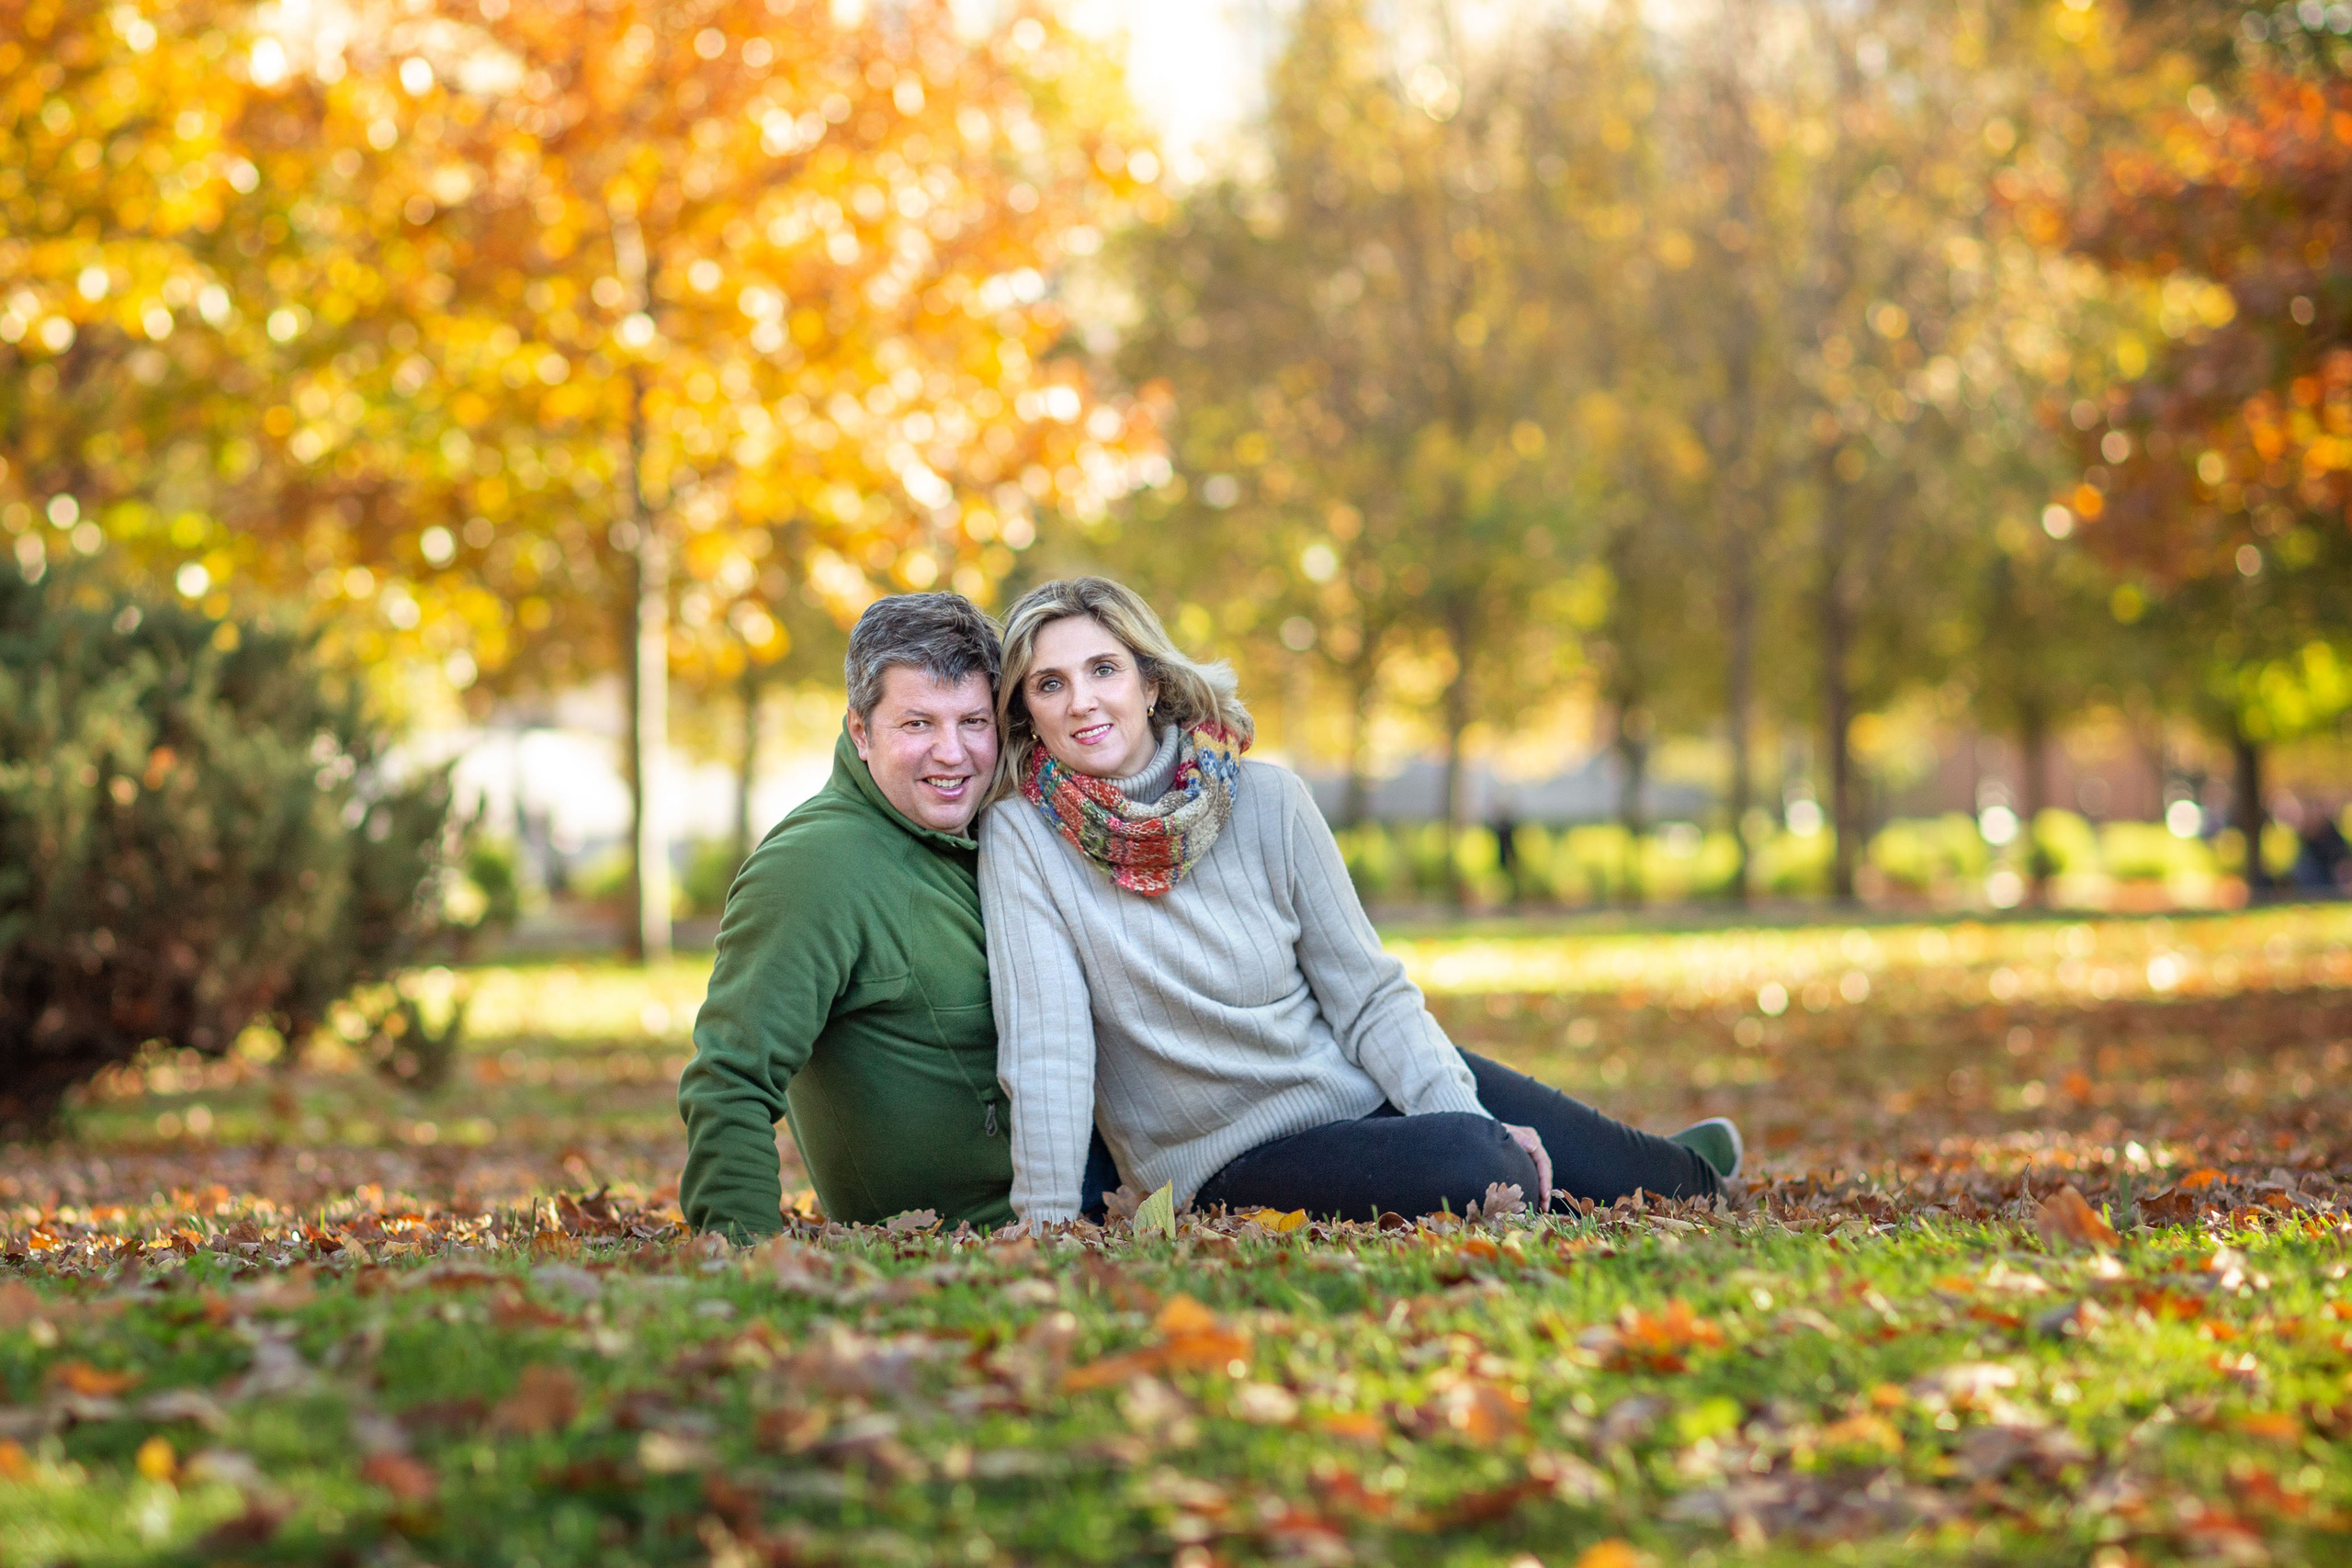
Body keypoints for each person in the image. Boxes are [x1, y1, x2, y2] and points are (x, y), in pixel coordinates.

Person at [978, 576, 1741, 1225]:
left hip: (1354, 1085)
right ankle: (1545, 1187)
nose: (1082, 701)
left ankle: (1682, 1167)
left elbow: (1368, 995)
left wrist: (1456, 1108)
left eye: (1103, 669)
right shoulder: (1025, 836)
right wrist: (1048, 1226)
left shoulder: (1268, 799)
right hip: (1233, 1162)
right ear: (1029, 712)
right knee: (1481, 1162)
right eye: (1051, 683)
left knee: (1633, 1167)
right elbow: (1048, 1048)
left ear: (1149, 683)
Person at [678, 592, 1021, 1239]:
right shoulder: (815, 866)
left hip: (1097, 1203)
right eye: (917, 724)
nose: (952, 753)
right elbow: (730, 1077)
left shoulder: (998, 836)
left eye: (973, 721)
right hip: (972, 1249)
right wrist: (741, 1258)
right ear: (861, 731)